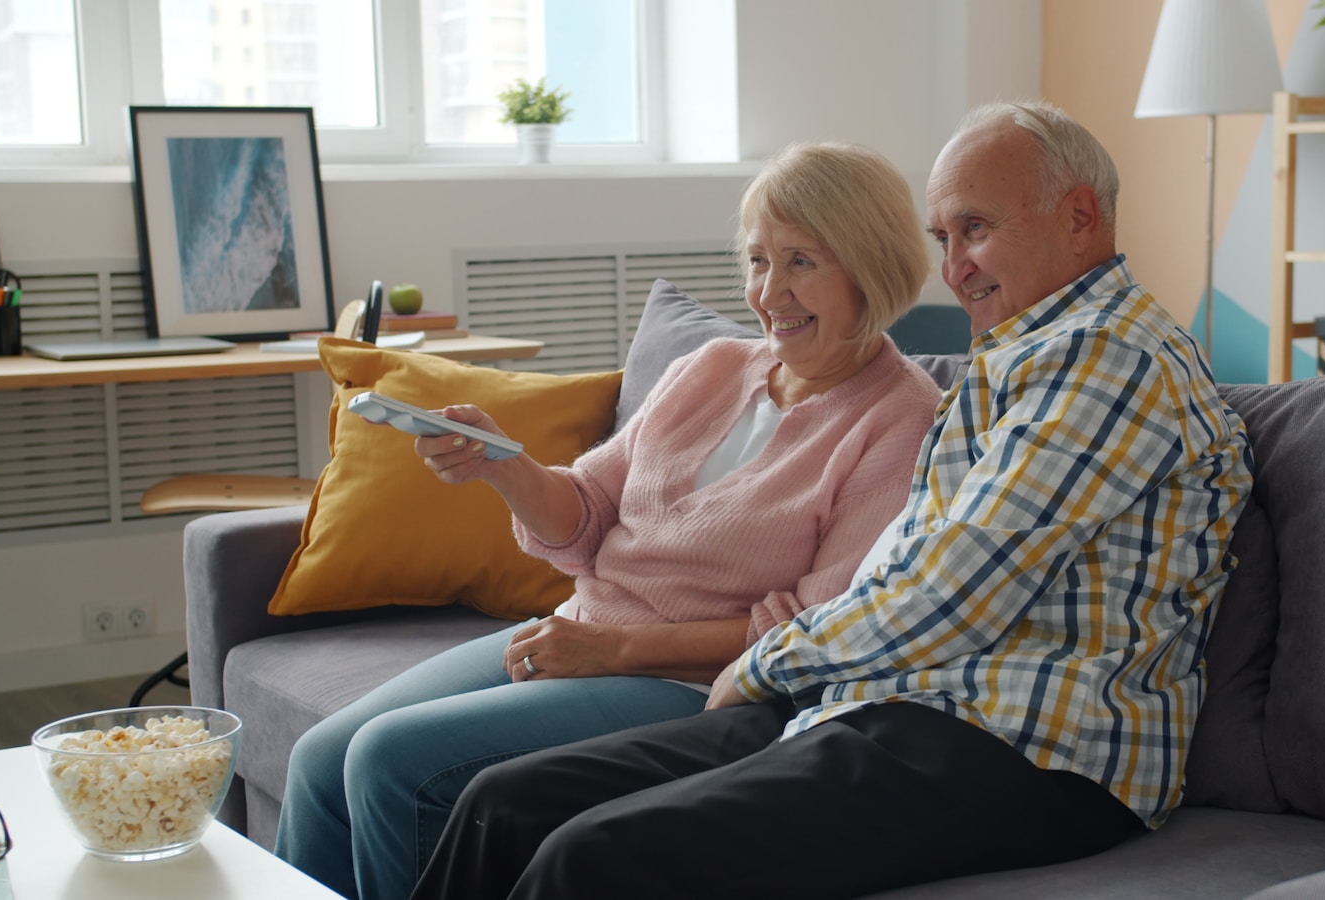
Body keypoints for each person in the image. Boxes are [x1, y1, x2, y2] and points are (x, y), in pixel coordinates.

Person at [407, 100, 1256, 900]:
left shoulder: (1111, 361)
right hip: (894, 705)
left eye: (977, 229)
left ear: (1079, 218)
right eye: (944, 235)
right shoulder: (1014, 363)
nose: (954, 265)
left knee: (588, 856)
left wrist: (765, 663)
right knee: (503, 804)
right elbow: (908, 572)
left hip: (1031, 752)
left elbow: (953, 592)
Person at [272, 141, 945, 900]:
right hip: (586, 625)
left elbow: (811, 631)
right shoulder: (717, 366)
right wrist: (505, 466)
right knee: (322, 758)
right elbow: (587, 513)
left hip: (693, 684)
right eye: (758, 261)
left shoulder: (901, 420)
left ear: (871, 266)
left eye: (800, 262)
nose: (769, 292)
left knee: (389, 760)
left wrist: (612, 649)